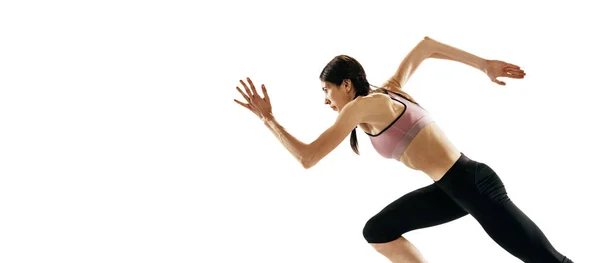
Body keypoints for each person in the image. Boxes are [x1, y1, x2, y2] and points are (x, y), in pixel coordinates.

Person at [233, 36, 573, 263]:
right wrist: (482, 63)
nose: (325, 99)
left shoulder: (361, 106)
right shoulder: (389, 91)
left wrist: (269, 120)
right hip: (451, 189)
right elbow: (425, 47)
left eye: (327, 90)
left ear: (346, 85)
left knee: (550, 261)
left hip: (473, 185)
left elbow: (308, 157)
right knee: (378, 231)